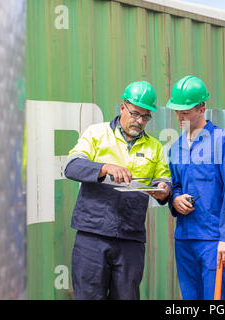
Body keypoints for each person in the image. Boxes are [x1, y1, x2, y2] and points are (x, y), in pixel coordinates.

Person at [64, 81, 171, 300]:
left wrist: (163, 189)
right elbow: (71, 166)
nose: (139, 121)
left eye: (145, 116)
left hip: (130, 238)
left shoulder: (155, 147)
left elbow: (163, 178)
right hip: (92, 235)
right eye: (134, 114)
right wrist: (104, 167)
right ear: (122, 107)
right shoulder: (96, 134)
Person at [166, 75, 225, 300]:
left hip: (214, 240)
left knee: (217, 298)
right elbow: (176, 184)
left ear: (202, 108)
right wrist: (175, 199)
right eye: (176, 111)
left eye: (186, 111)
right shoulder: (176, 147)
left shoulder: (223, 141)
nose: (180, 117)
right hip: (184, 239)